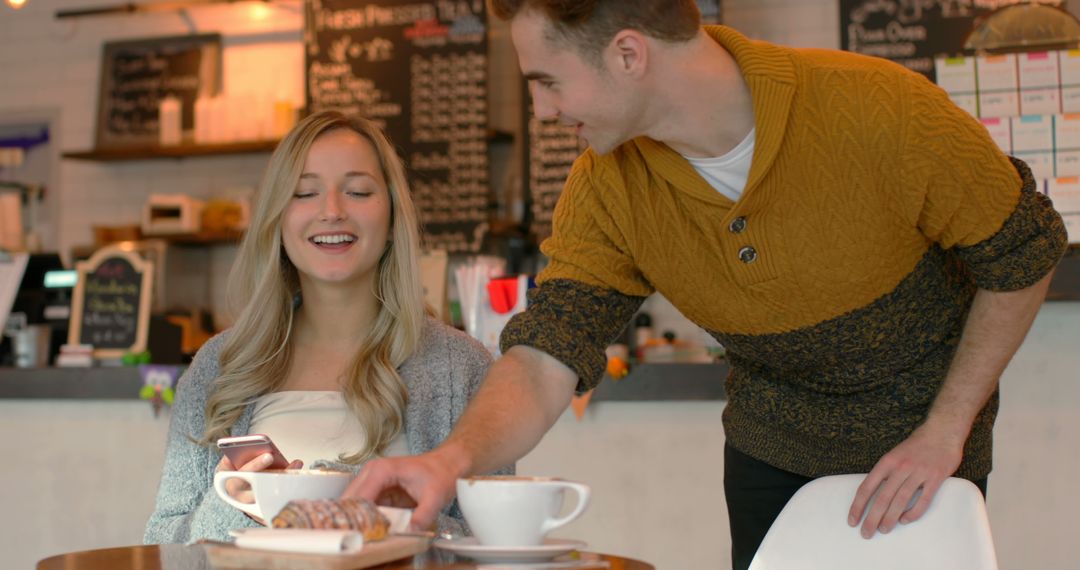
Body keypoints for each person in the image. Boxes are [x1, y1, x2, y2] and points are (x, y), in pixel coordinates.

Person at [348, 1, 1068, 567]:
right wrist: (448, 461)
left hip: (924, 455)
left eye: (547, 82)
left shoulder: (880, 110)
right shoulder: (608, 185)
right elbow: (546, 355)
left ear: (629, 54)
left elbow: (1024, 253)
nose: (542, 111)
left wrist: (949, 427)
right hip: (769, 448)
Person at [144, 111, 507, 544]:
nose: (332, 211)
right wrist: (238, 503)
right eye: (304, 193)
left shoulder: (462, 367)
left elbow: (497, 546)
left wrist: (367, 512)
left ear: (392, 219)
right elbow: (162, 548)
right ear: (277, 221)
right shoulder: (219, 366)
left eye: (357, 191)